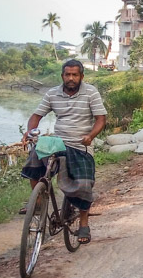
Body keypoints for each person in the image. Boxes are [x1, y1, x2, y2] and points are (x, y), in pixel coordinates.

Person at [21, 58, 107, 244]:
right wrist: (30, 132)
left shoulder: (91, 92)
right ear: (62, 76)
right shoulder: (53, 94)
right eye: (67, 74)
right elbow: (36, 116)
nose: (71, 78)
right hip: (58, 142)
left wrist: (90, 136)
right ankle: (37, 201)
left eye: (75, 75)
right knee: (35, 158)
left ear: (81, 76)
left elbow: (101, 119)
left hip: (80, 144)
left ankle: (84, 223)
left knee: (84, 183)